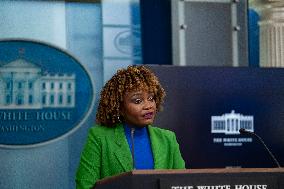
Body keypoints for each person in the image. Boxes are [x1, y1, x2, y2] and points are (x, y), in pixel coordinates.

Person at [76, 65, 185, 189]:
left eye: (151, 98)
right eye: (138, 101)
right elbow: (84, 185)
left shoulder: (167, 138)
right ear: (120, 108)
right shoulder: (100, 137)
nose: (148, 106)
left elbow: (181, 184)